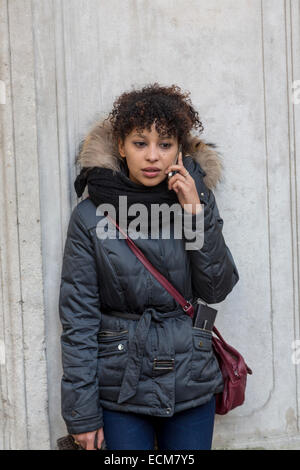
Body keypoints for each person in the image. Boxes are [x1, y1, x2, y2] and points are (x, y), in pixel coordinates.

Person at [58, 83, 239, 450]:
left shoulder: (197, 200)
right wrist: (82, 414)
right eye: (141, 143)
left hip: (190, 377)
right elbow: (78, 319)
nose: (153, 156)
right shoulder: (90, 216)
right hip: (119, 388)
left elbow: (216, 288)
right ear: (121, 147)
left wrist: (195, 215)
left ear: (179, 149)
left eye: (165, 144)